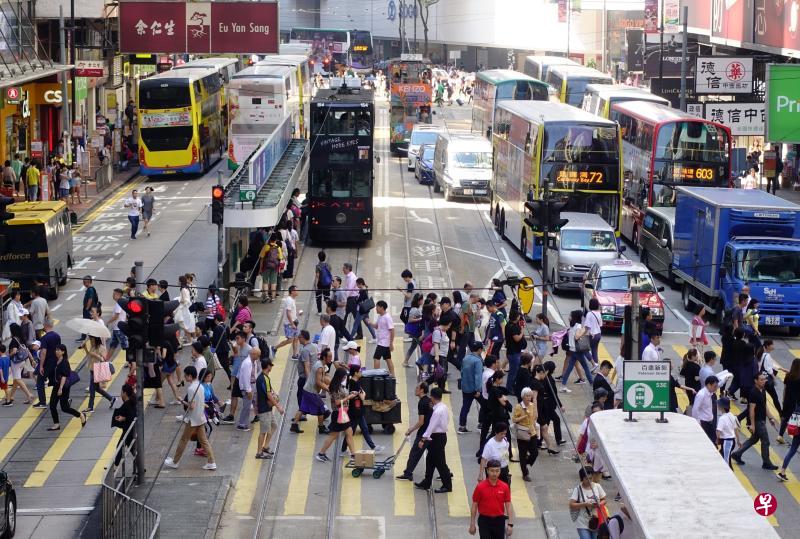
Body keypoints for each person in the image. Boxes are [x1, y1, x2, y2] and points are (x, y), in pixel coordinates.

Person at [164, 366, 217, 470]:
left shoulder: (191, 388)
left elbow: (192, 406)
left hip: (193, 420)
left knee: (183, 440)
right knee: (204, 441)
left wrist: (182, 401)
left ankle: (175, 462)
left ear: (189, 376)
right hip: (200, 418)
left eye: (185, 375)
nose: (184, 377)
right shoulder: (200, 386)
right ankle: (211, 462)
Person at [731, 373, 780, 469]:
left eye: (764, 379)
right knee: (765, 441)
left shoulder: (763, 390)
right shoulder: (754, 392)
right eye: (761, 380)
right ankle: (766, 463)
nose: (764, 381)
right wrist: (752, 425)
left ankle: (737, 454)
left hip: (762, 419)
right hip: (758, 421)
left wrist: (770, 418)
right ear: (756, 381)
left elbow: (765, 405)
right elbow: (751, 410)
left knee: (754, 439)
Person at [414, 387, 453, 493]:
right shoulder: (443, 407)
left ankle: (447, 485)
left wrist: (423, 439)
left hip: (436, 438)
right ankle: (427, 482)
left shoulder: (436, 411)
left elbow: (431, 427)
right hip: (441, 436)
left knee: (440, 462)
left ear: (432, 397)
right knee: (430, 460)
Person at [315, 367, 358, 463]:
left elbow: (343, 396)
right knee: (339, 434)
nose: (345, 378)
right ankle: (353, 456)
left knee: (344, 433)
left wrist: (350, 393)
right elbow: (338, 402)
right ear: (340, 377)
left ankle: (353, 455)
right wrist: (349, 397)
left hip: (341, 413)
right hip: (339, 413)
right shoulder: (334, 387)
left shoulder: (338, 385)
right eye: (344, 377)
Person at [469, 458, 515, 538]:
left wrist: (510, 524)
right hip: (484, 521)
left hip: (499, 521)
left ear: (500, 471)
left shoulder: (504, 487)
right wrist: (472, 523)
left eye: (497, 471)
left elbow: (508, 505)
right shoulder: (480, 487)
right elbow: (474, 505)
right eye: (492, 471)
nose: (495, 473)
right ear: (487, 471)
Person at [396, 382, 433, 481]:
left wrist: (410, 430)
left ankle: (408, 473)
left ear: (421, 390)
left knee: (414, 453)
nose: (415, 389)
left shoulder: (422, 403)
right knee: (436, 454)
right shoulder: (429, 401)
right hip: (432, 432)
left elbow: (421, 422)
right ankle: (446, 473)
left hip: (424, 433)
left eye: (417, 388)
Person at [48, 344, 86, 430]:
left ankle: (80, 415)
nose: (56, 351)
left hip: (63, 387)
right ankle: (56, 424)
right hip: (56, 385)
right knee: (52, 405)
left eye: (59, 350)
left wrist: (61, 388)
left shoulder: (64, 362)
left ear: (63, 352)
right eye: (56, 350)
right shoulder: (56, 361)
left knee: (64, 408)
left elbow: (64, 376)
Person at [256, 358, 284, 459]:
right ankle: (259, 452)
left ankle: (266, 446)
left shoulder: (263, 377)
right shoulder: (264, 378)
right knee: (263, 431)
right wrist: (278, 406)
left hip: (266, 408)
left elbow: (269, 391)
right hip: (264, 409)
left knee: (274, 426)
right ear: (268, 366)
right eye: (271, 365)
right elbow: (268, 394)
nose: (271, 367)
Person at [569, 466, 607, 539]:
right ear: (582, 479)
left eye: (591, 478)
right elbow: (571, 505)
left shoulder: (597, 486)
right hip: (582, 522)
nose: (589, 481)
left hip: (596, 520)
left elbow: (604, 500)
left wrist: (599, 504)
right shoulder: (577, 489)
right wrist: (585, 504)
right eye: (587, 479)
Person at [561, 310, 594, 392]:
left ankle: (563, 385)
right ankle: (593, 385)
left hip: (572, 349)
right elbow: (577, 337)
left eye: (570, 316)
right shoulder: (578, 326)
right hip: (577, 350)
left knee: (569, 368)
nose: (569, 317)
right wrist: (584, 330)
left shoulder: (572, 325)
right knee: (585, 367)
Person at [512, 386, 538, 482]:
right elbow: (514, 419)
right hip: (522, 433)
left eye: (530, 396)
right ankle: (525, 473)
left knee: (535, 452)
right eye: (527, 396)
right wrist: (524, 416)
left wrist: (536, 430)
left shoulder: (532, 405)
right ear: (523, 397)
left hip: (532, 432)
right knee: (522, 454)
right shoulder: (519, 407)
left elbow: (533, 419)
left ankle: (526, 462)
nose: (529, 398)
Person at [459, 341, 484, 433]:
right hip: (474, 388)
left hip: (465, 387)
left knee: (465, 407)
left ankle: (462, 426)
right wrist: (478, 389)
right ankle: (481, 424)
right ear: (480, 350)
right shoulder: (478, 361)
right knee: (485, 404)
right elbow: (478, 376)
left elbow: (462, 371)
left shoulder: (465, 358)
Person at [83, 335, 114, 412]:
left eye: (92, 340)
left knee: (92, 389)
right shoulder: (93, 347)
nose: (91, 341)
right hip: (92, 369)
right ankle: (111, 398)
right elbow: (89, 355)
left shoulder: (101, 348)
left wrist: (96, 355)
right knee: (96, 388)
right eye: (90, 340)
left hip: (97, 371)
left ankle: (90, 407)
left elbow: (104, 359)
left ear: (96, 339)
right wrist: (85, 348)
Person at [112, 384, 137, 466]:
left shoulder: (127, 403)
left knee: (120, 447)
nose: (121, 394)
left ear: (125, 393)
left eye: (121, 392)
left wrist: (123, 418)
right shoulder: (131, 401)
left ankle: (115, 466)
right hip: (131, 429)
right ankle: (140, 466)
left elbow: (131, 415)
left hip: (128, 429)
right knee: (133, 449)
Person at [369, 300, 395, 375]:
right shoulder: (380, 316)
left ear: (382, 308)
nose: (376, 309)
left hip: (384, 342)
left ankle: (377, 375)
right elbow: (377, 326)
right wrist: (370, 323)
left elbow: (392, 330)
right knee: (388, 359)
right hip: (382, 342)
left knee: (376, 358)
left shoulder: (387, 317)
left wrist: (391, 343)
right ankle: (393, 375)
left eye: (377, 307)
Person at [236, 347, 259, 432]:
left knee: (250, 405)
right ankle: (242, 424)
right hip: (247, 387)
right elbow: (246, 378)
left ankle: (245, 422)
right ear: (253, 354)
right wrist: (248, 391)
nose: (258, 357)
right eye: (258, 355)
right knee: (246, 406)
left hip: (253, 385)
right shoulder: (247, 363)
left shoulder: (254, 361)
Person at [275, 286, 301, 358]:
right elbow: (288, 313)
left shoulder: (292, 299)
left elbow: (291, 312)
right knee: (290, 340)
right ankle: (275, 348)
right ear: (292, 291)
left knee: (296, 338)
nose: (297, 291)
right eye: (296, 290)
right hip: (290, 323)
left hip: (294, 321)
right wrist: (292, 324)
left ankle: (295, 355)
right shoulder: (289, 300)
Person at [691, 375, 719, 442]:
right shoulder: (701, 395)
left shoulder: (710, 393)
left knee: (713, 442)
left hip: (710, 423)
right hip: (703, 424)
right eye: (715, 386)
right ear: (709, 385)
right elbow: (695, 410)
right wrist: (698, 423)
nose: (716, 389)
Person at [504, 310, 526, 394]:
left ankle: (511, 387)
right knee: (513, 372)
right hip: (513, 353)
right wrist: (522, 332)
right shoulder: (512, 327)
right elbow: (517, 338)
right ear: (516, 317)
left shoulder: (509, 324)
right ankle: (509, 389)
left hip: (512, 351)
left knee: (514, 371)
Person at [258, 234, 283, 303]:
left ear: (269, 239)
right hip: (275, 267)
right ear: (276, 240)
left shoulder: (266, 247)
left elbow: (261, 258)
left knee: (265, 281)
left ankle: (266, 296)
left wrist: (260, 268)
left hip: (266, 266)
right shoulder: (278, 248)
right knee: (273, 282)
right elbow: (280, 259)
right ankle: (273, 297)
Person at [716, 396, 740, 469]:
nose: (718, 406)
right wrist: (738, 441)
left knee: (727, 463)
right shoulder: (731, 415)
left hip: (727, 442)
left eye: (719, 405)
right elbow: (736, 429)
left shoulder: (722, 419)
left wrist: (717, 441)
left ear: (722, 407)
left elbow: (718, 431)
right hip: (732, 441)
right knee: (722, 458)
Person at [77, 276, 99, 343]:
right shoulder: (91, 289)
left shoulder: (90, 290)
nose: (84, 283)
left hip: (89, 309)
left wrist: (87, 308)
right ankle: (87, 336)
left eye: (86, 282)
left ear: (89, 282)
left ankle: (84, 337)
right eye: (84, 282)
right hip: (90, 309)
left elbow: (90, 299)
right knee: (88, 323)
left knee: (86, 323)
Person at [585, 298, 603, 368]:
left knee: (585, 349)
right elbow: (600, 324)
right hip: (598, 334)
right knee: (594, 350)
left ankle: (593, 364)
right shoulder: (599, 313)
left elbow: (587, 326)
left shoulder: (589, 314)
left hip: (592, 335)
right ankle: (595, 365)